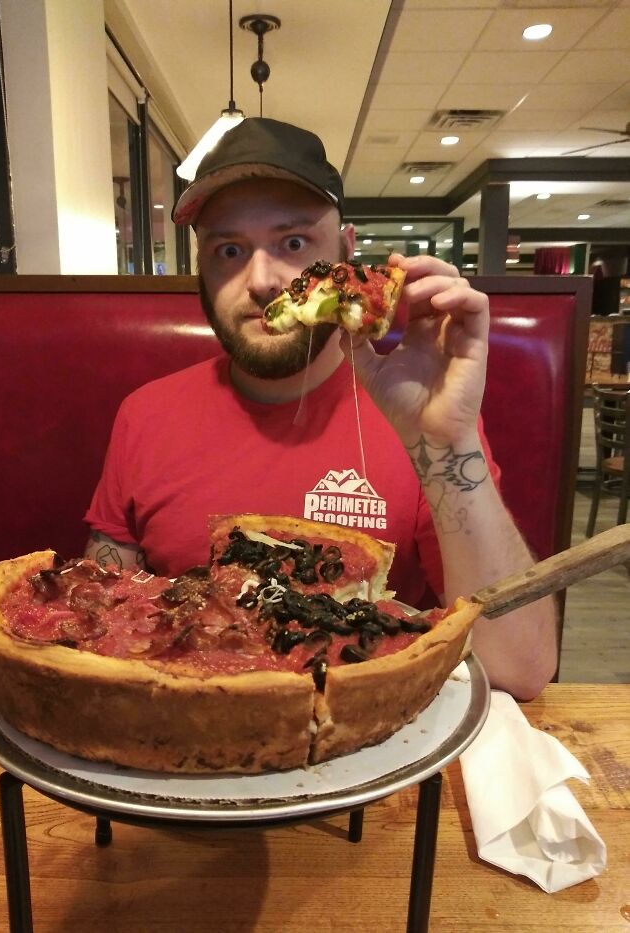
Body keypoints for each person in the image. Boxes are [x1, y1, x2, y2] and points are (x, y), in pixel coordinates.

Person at [85, 117, 558, 700]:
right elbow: (96, 620)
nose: (262, 281)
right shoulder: (145, 415)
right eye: (229, 250)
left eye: (293, 243)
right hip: (191, 721)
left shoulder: (422, 417)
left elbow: (520, 667)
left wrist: (444, 442)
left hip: (367, 722)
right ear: (201, 268)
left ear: (347, 253)